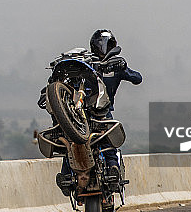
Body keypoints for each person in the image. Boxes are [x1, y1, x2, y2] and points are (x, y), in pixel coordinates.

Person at [55, 29, 142, 195]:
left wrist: (123, 66)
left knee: (108, 137)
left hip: (102, 111)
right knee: (69, 138)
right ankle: (66, 176)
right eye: (104, 45)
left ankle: (113, 169)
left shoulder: (115, 66)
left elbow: (137, 78)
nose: (106, 48)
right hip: (80, 113)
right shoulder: (86, 65)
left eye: (109, 45)